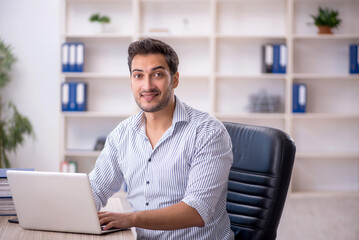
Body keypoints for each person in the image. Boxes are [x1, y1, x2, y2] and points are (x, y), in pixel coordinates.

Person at [89, 38, 234, 239]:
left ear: (174, 79)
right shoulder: (121, 135)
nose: (147, 86)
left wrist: (131, 219)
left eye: (157, 74)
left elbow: (198, 210)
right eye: (138, 76)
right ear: (131, 81)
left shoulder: (208, 132)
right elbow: (95, 189)